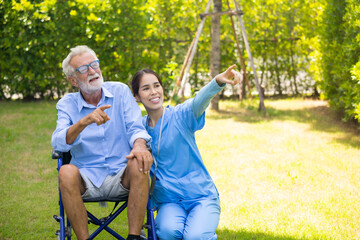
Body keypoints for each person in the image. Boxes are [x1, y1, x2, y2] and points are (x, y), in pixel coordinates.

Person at [51, 45, 153, 240]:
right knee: (65, 171)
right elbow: (57, 142)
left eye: (94, 64)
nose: (92, 71)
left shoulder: (121, 92)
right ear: (73, 80)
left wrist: (140, 145)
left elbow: (135, 127)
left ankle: (134, 237)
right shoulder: (66, 104)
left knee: (139, 160)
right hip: (86, 178)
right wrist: (83, 122)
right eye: (83, 69)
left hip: (122, 173)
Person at [131, 65, 241, 240]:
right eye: (146, 88)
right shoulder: (138, 130)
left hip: (202, 196)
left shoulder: (180, 115)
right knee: (167, 233)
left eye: (156, 85)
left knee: (194, 237)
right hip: (169, 201)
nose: (153, 92)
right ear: (136, 96)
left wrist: (218, 81)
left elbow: (199, 101)